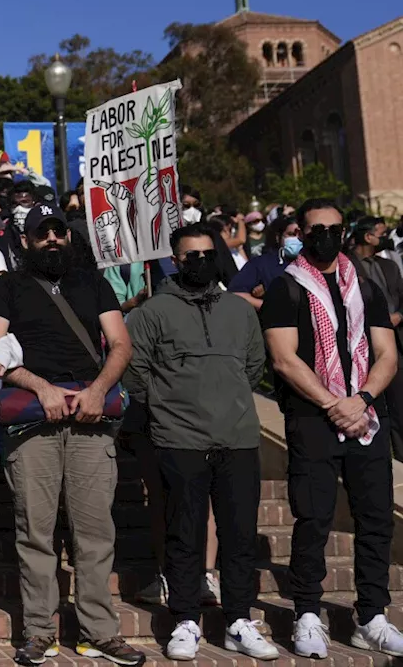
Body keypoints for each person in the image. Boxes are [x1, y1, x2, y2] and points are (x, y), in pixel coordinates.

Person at [0, 203, 144, 667]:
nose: (52, 239)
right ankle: (39, 632)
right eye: (42, 233)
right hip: (34, 421)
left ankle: (98, 633)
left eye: (59, 232)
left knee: (95, 532)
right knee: (37, 533)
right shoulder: (7, 286)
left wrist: (99, 390)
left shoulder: (93, 282)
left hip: (92, 418)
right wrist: (41, 386)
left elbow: (121, 344)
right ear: (25, 241)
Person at [124, 224, 277, 661]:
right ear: (175, 260)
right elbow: (136, 373)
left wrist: (223, 398)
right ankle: (186, 619)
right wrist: (170, 404)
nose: (200, 262)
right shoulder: (153, 311)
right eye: (190, 255)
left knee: (240, 534)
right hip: (179, 438)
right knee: (185, 532)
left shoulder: (240, 310)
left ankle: (237, 620)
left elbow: (253, 366)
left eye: (208, 254)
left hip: (238, 438)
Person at [261, 198, 402, 659]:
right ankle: (306, 613)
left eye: (335, 228)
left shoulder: (366, 285)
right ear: (301, 232)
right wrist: (332, 403)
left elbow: (387, 353)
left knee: (376, 517)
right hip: (313, 417)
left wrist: (360, 400)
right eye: (316, 228)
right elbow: (284, 358)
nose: (326, 235)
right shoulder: (286, 287)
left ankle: (372, 616)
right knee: (313, 518)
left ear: (345, 231)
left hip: (366, 416)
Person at [347, 216, 403, 455]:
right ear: (368, 237)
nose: (384, 237)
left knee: (400, 405)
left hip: (397, 341)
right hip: (366, 345)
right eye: (380, 233)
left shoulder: (388, 265)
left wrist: (399, 315)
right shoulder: (346, 266)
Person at [229, 216, 302, 310]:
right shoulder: (262, 263)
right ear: (278, 237)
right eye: (291, 234)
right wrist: (268, 307)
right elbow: (236, 293)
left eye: (300, 235)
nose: (296, 239)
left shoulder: (318, 263)